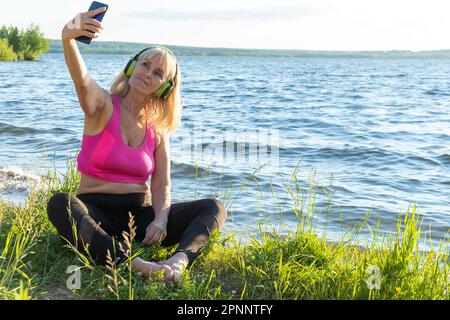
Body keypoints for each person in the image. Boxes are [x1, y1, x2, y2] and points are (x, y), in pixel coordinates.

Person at [47, 6, 227, 283]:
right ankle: (136, 264)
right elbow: (81, 81)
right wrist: (67, 38)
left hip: (138, 220)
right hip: (96, 213)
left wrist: (161, 219)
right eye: (145, 64)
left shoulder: (158, 129)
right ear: (132, 65)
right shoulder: (103, 105)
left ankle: (178, 262)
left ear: (165, 88)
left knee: (214, 207)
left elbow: (162, 184)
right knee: (60, 203)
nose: (148, 73)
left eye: (158, 73)